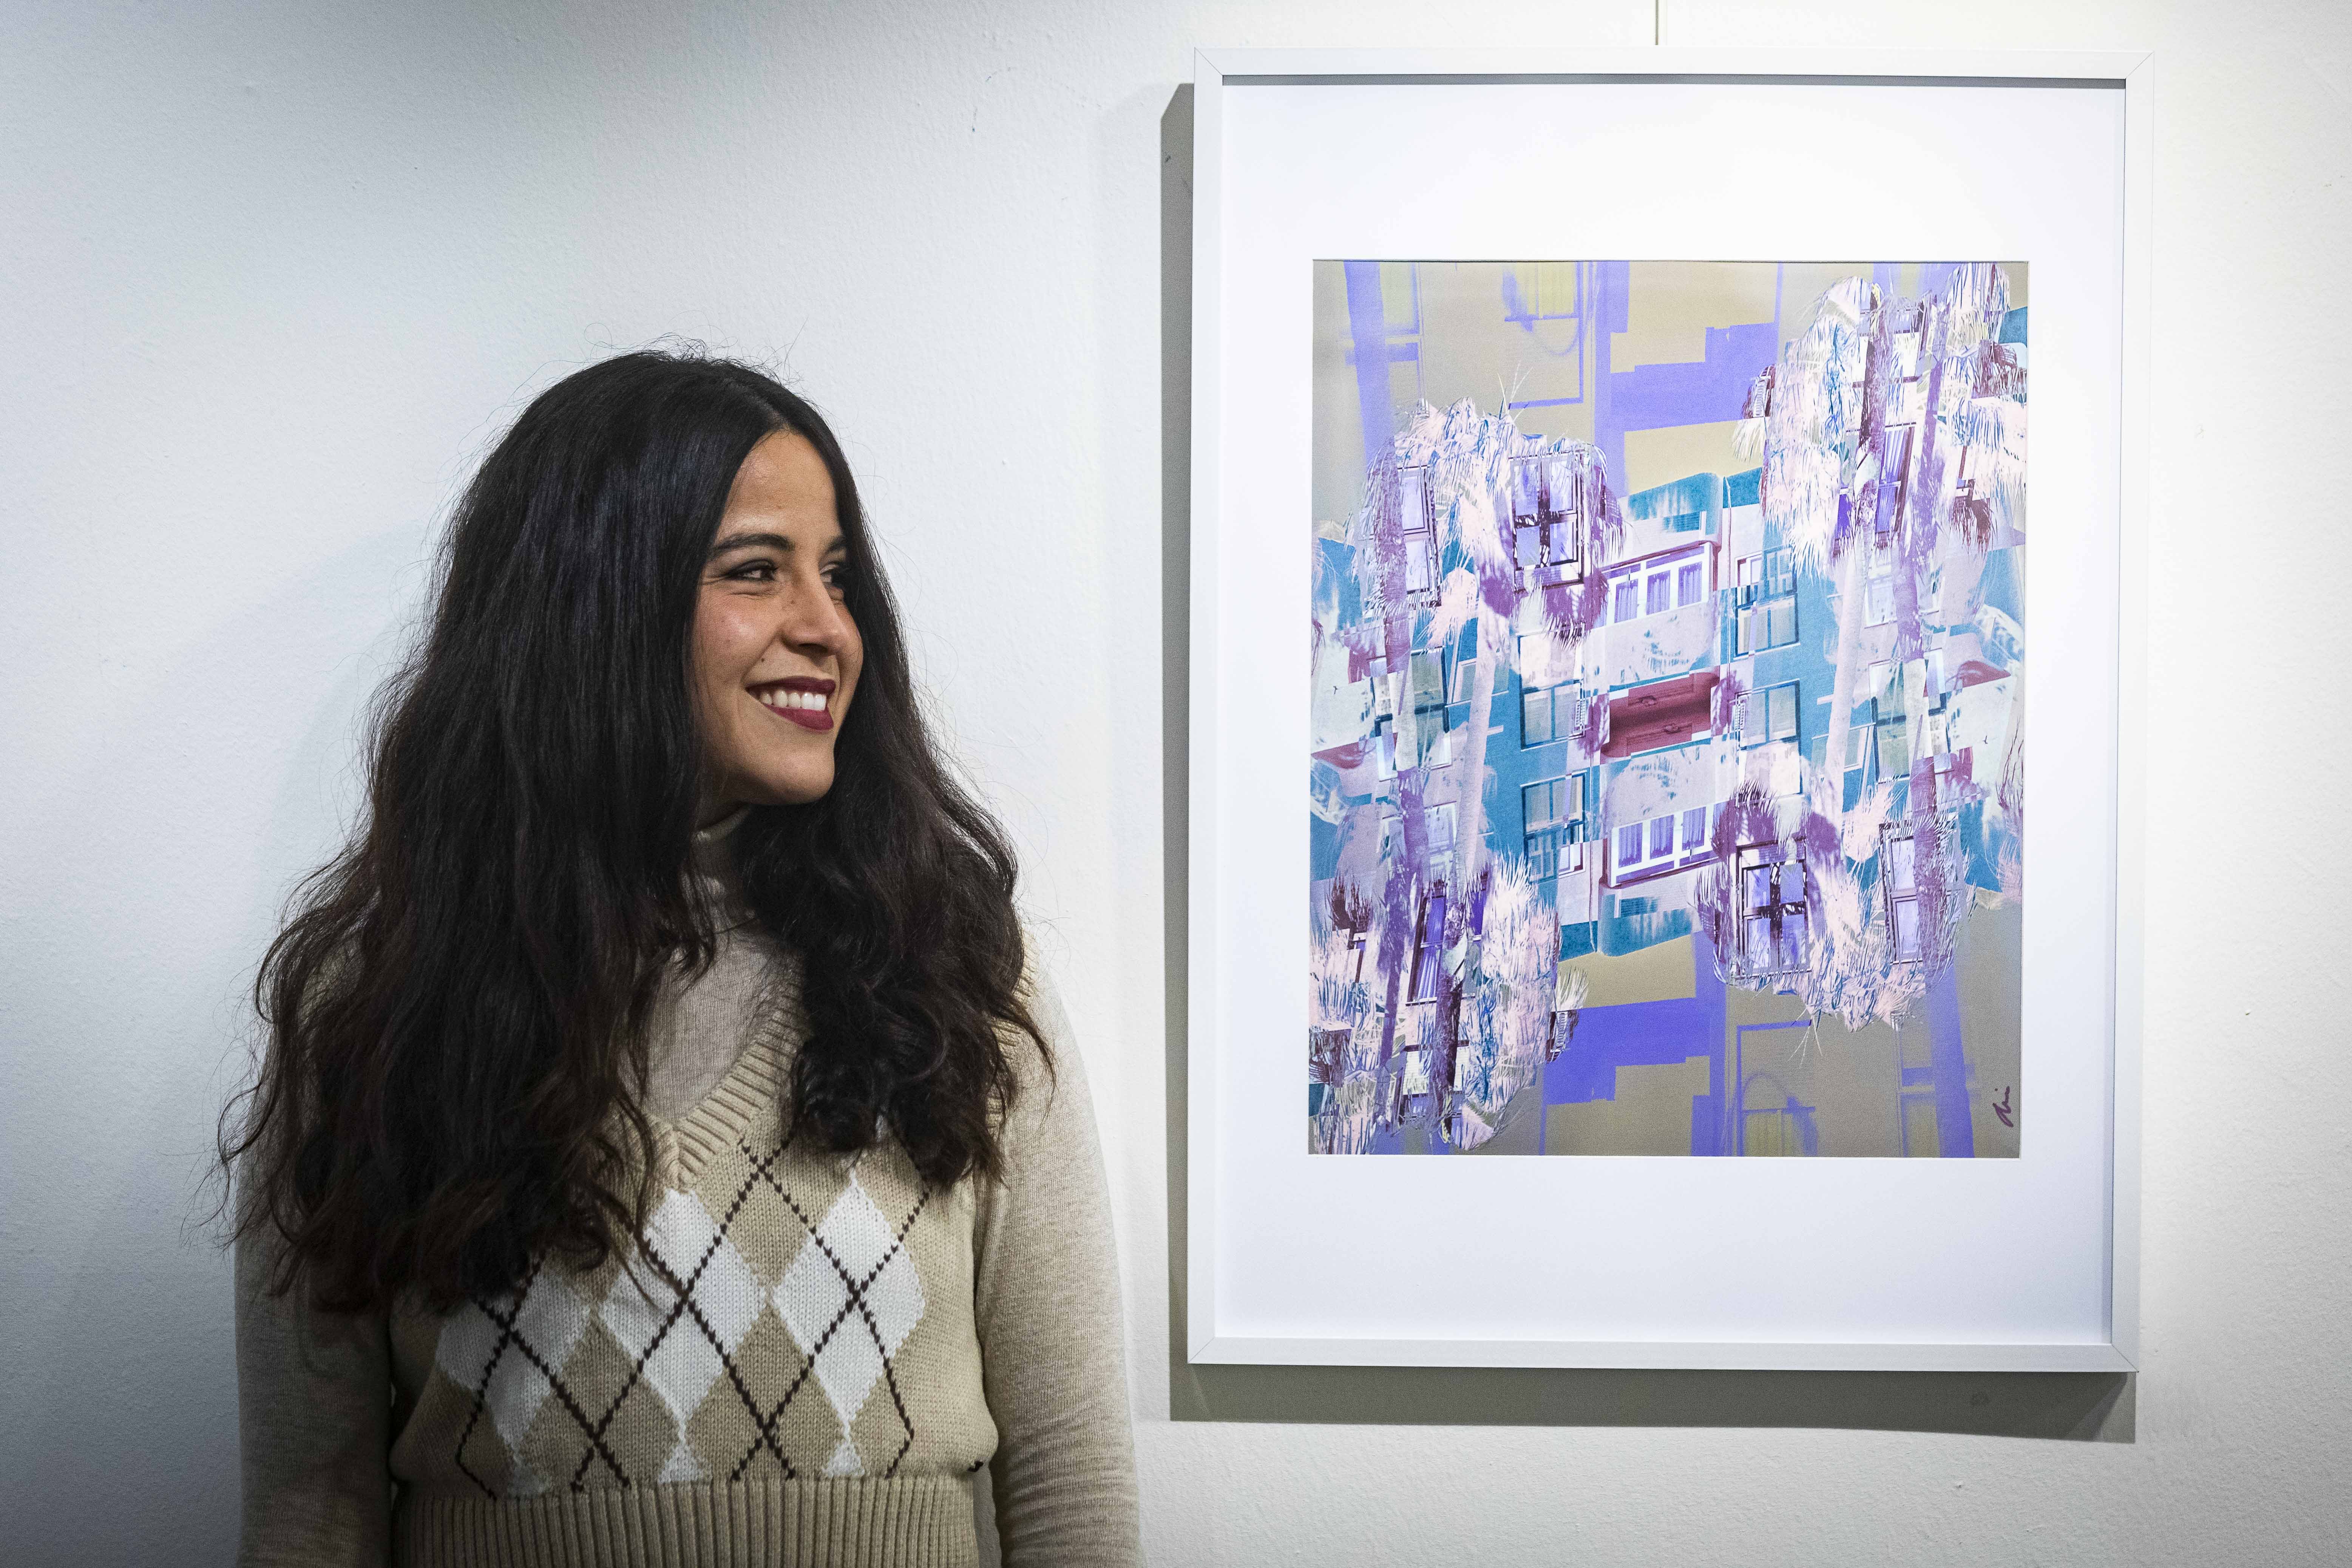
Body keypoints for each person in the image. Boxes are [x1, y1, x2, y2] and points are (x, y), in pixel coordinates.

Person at [222, 349, 1142, 1566]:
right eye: (756, 573)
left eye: (838, 576)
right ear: (597, 604)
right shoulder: (380, 1007)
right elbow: (314, 1500)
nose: (829, 629)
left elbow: (1070, 1474)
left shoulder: (956, 977)